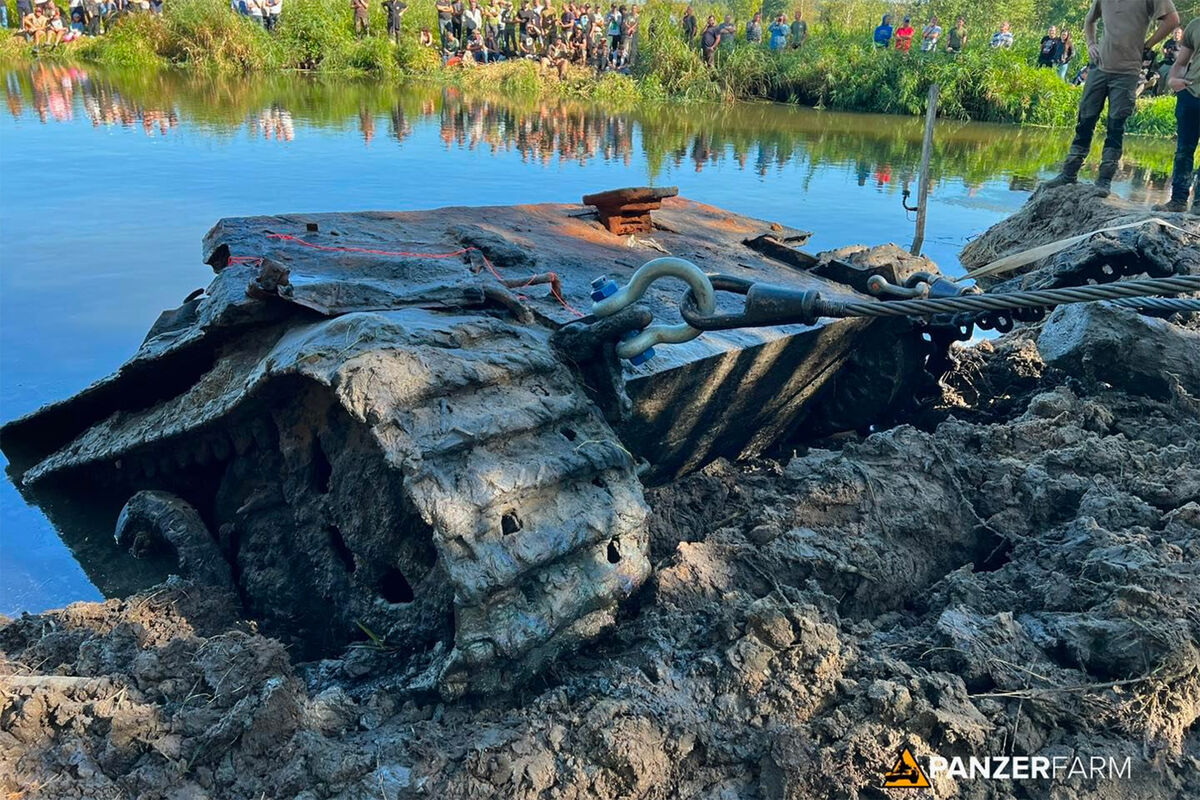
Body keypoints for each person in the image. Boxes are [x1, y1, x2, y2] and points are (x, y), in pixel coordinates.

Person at [1046, 0, 1180, 196]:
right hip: (1099, 67)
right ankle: (1069, 172)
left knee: (1116, 124)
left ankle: (1104, 180)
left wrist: (1148, 44)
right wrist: (1091, 44)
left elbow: (1172, 20)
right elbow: (1089, 20)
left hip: (1126, 70)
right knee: (1085, 119)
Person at [1153, 15, 1200, 212]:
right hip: (1190, 94)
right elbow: (1181, 62)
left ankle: (1198, 205)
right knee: (1183, 151)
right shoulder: (1195, 25)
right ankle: (1178, 201)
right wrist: (1173, 79)